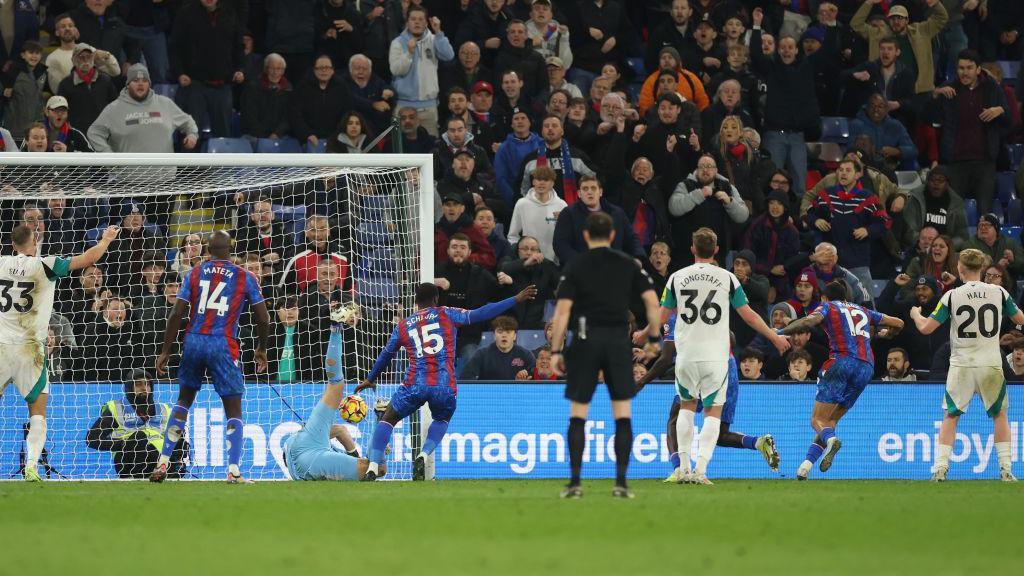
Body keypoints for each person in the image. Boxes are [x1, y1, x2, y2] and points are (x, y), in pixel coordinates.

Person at [355, 282, 537, 481]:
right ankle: (423, 455)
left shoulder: (404, 325)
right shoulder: (447, 313)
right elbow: (482, 312)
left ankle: (372, 467)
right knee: (442, 418)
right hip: (444, 384)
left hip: (415, 383)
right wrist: (515, 299)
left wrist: (370, 378)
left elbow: (386, 355)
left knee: (388, 418)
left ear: (415, 302)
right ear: (436, 299)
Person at [660, 227, 791, 485]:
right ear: (717, 250)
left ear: (692, 249)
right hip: (719, 359)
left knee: (682, 410)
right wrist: (774, 336)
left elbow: (662, 318)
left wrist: (643, 333)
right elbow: (749, 314)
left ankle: (682, 469)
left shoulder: (676, 277)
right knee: (713, 416)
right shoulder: (727, 279)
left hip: (687, 356)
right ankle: (701, 471)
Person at [548, 212, 662, 499]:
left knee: (579, 413)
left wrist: (557, 350)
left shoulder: (575, 264)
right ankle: (621, 485)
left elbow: (562, 312)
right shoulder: (627, 264)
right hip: (617, 342)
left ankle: (574, 484)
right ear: (612, 236)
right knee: (621, 413)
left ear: (586, 236)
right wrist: (654, 338)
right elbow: (651, 301)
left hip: (585, 340)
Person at [0, 223, 119, 482]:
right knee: (37, 412)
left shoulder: (1, 263)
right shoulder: (46, 264)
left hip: (0, 346)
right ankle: (31, 467)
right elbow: (89, 259)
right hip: (29, 349)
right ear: (34, 244)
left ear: (12, 245)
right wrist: (106, 239)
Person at [150, 231, 271, 484]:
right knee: (233, 407)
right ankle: (234, 470)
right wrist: (261, 348)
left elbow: (176, 313)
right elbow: (263, 317)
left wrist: (165, 349)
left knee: (183, 400)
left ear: (207, 249)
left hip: (193, 340)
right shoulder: (244, 276)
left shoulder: (195, 272)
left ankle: (162, 462)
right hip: (222, 343)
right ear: (231, 249)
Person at [910, 248, 1022, 482]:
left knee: (951, 416)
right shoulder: (999, 292)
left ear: (960, 269)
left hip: (961, 364)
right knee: (999, 415)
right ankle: (1006, 470)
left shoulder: (952, 296)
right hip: (991, 363)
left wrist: (915, 315)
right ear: (981, 269)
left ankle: (940, 469)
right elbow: (1020, 319)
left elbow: (926, 328)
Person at [780, 280, 904, 481]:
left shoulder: (828, 306)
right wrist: (888, 334)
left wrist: (779, 332)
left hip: (841, 362)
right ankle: (805, 466)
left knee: (817, 420)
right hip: (866, 368)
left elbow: (809, 322)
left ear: (824, 297)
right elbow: (899, 323)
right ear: (847, 296)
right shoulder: (864, 310)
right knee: (829, 422)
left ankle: (832, 441)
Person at [637, 315, 780, 483]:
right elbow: (732, 340)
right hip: (729, 368)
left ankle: (679, 469)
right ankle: (758, 443)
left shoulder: (676, 316)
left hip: (700, 367)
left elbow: (667, 358)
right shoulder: (709, 306)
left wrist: (642, 382)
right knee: (720, 434)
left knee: (675, 419)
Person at [284, 304, 382, 481]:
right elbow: (341, 436)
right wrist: (356, 458)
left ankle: (336, 329)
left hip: (302, 441)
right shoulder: (328, 457)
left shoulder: (330, 451)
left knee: (335, 384)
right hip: (310, 458)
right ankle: (379, 423)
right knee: (376, 468)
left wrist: (353, 455)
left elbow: (340, 430)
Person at [85, 369, 187, 479]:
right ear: (129, 388)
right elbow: (91, 439)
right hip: (128, 460)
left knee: (178, 435)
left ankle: (172, 469)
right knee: (140, 437)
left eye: (147, 384)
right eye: (138, 384)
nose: (144, 388)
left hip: (159, 458)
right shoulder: (117, 408)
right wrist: (121, 445)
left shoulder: (163, 409)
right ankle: (141, 476)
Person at [88, 64, 199, 154]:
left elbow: (188, 122)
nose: (140, 84)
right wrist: (108, 155)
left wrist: (192, 135)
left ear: (149, 84)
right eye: (136, 80)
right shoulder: (114, 108)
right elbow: (94, 132)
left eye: (144, 80)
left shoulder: (165, 103)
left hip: (165, 179)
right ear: (128, 84)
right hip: (128, 179)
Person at [389, 6, 454, 137]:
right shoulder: (397, 42)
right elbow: (396, 70)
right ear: (407, 22)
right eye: (413, 19)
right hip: (403, 107)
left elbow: (449, 55)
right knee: (399, 149)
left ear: (426, 22)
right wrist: (409, 53)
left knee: (430, 151)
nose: (417, 22)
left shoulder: (434, 39)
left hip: (428, 108)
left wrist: (439, 32)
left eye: (420, 19)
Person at [57, 43, 119, 133]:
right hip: (78, 133)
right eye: (81, 57)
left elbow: (114, 105)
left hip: (103, 132)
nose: (85, 60)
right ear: (73, 60)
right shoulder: (65, 84)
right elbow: (61, 111)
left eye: (89, 57)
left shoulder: (105, 80)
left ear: (93, 59)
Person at [460, 316, 536, 380]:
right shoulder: (482, 354)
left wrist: (525, 380)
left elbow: (535, 377)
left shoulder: (526, 355)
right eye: (500, 331)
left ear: (515, 336)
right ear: (494, 335)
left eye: (508, 332)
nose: (504, 335)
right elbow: (465, 378)